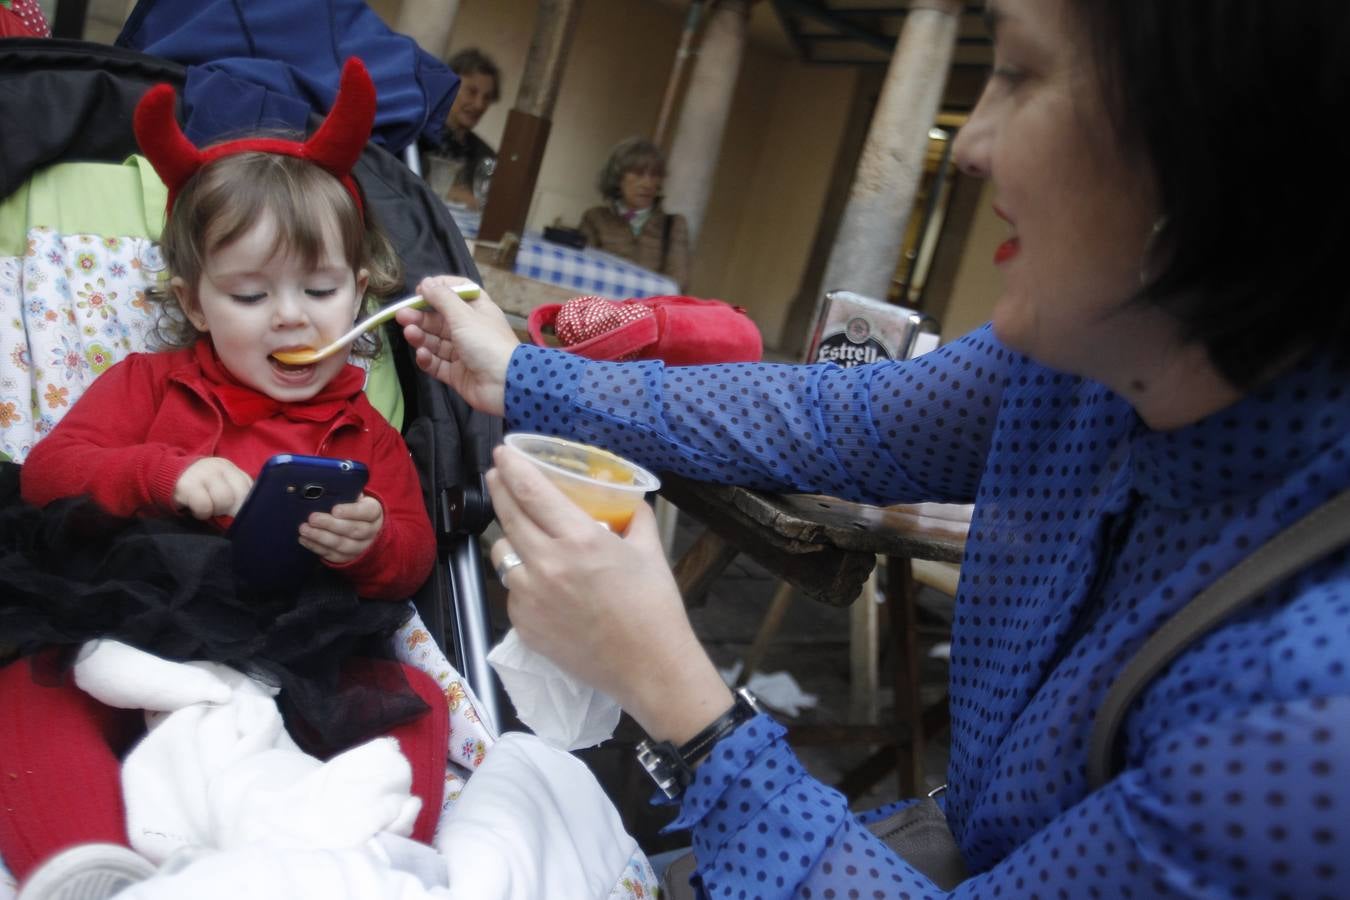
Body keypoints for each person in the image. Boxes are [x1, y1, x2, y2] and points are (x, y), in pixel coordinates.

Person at [398, 0, 1350, 896]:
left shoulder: (1308, 716)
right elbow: (832, 419)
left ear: (1215, 144)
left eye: (1017, 74)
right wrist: (520, 374)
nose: (969, 145)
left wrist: (671, 689)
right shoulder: (1080, 358)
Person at [0, 60, 443, 887]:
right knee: (29, 683)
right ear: (196, 303)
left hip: (298, 643)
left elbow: (415, 551)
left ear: (360, 291)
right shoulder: (145, 383)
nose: (291, 315)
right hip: (133, 619)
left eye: (320, 287)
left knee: (415, 704)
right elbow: (51, 473)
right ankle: (83, 858)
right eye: (249, 295)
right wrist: (163, 474)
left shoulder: (364, 427)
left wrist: (372, 540)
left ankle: (375, 858)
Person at [578, 137, 690, 291]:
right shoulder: (595, 218)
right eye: (638, 174)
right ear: (618, 177)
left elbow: (677, 284)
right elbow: (585, 269)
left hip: (648, 309)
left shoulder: (674, 225)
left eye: (654, 175)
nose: (647, 184)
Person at [419, 47, 501, 209]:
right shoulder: (415, 136)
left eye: (487, 98)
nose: (479, 105)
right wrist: (441, 190)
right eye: (471, 92)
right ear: (450, 85)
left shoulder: (486, 157)